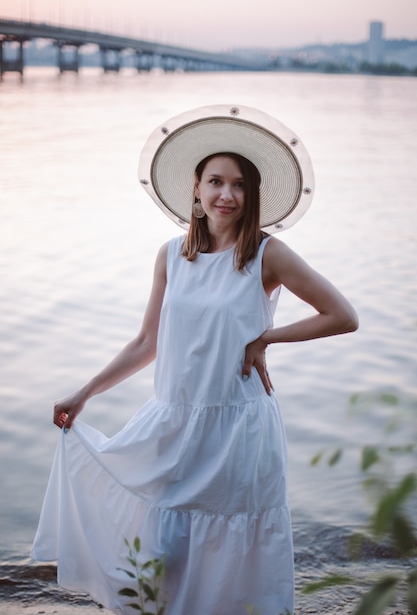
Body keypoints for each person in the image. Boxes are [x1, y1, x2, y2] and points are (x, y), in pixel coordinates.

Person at [31, 104, 358, 615]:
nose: (227, 194)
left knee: (234, 554)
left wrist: (267, 337)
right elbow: (147, 343)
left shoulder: (266, 255)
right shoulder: (170, 256)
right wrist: (85, 391)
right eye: (215, 181)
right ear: (196, 190)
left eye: (239, 185)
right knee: (167, 549)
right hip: (174, 424)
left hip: (238, 431)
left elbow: (342, 315)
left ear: (251, 195)